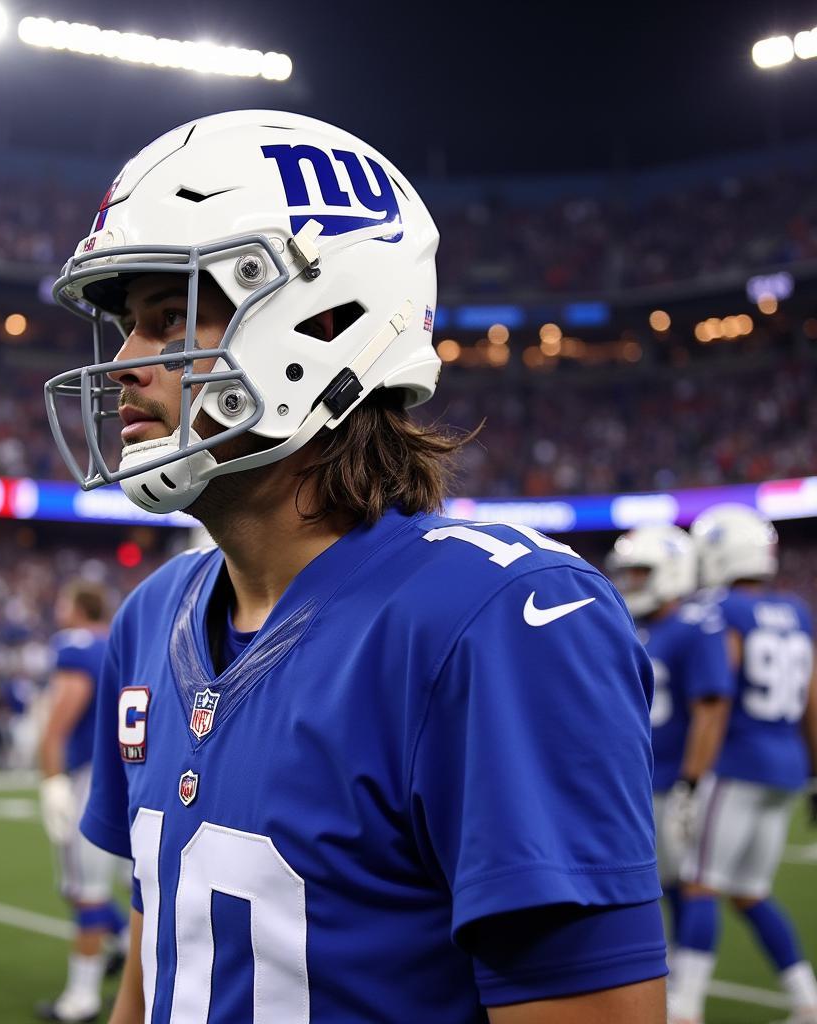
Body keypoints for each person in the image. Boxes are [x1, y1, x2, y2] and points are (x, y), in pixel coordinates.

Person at [44, 110, 668, 1023]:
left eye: (168, 317)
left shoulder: (500, 620)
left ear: (324, 318)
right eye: (127, 328)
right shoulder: (153, 613)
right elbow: (157, 961)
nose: (128, 366)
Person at [667, 504, 817, 1024]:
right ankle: (806, 996)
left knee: (699, 883)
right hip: (789, 769)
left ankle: (683, 1006)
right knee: (750, 891)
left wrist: (690, 779)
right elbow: (813, 701)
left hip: (738, 763)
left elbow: (717, 698)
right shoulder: (797, 611)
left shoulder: (724, 611)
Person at [605, 524, 733, 946]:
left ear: (672, 570)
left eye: (642, 572)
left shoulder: (695, 625)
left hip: (672, 778)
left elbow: (709, 710)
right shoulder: (631, 626)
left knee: (682, 881)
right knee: (651, 885)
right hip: (636, 780)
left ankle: (683, 987)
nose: (632, 582)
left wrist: (692, 782)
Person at [36, 580, 128, 1023]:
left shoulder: (75, 646)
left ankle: (81, 998)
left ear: (79, 607)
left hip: (91, 777)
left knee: (84, 891)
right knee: (119, 888)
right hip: (131, 774)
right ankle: (130, 945)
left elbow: (58, 721)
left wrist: (50, 779)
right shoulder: (119, 637)